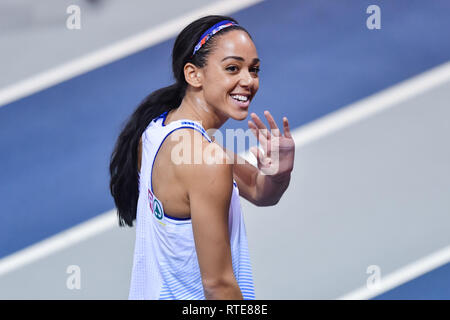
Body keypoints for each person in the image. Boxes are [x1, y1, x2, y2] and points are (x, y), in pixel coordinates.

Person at [109, 15, 295, 300]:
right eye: (232, 68)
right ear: (193, 74)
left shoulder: (156, 130)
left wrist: (278, 175)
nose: (248, 81)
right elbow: (218, 285)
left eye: (254, 70)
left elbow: (260, 190)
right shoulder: (205, 160)